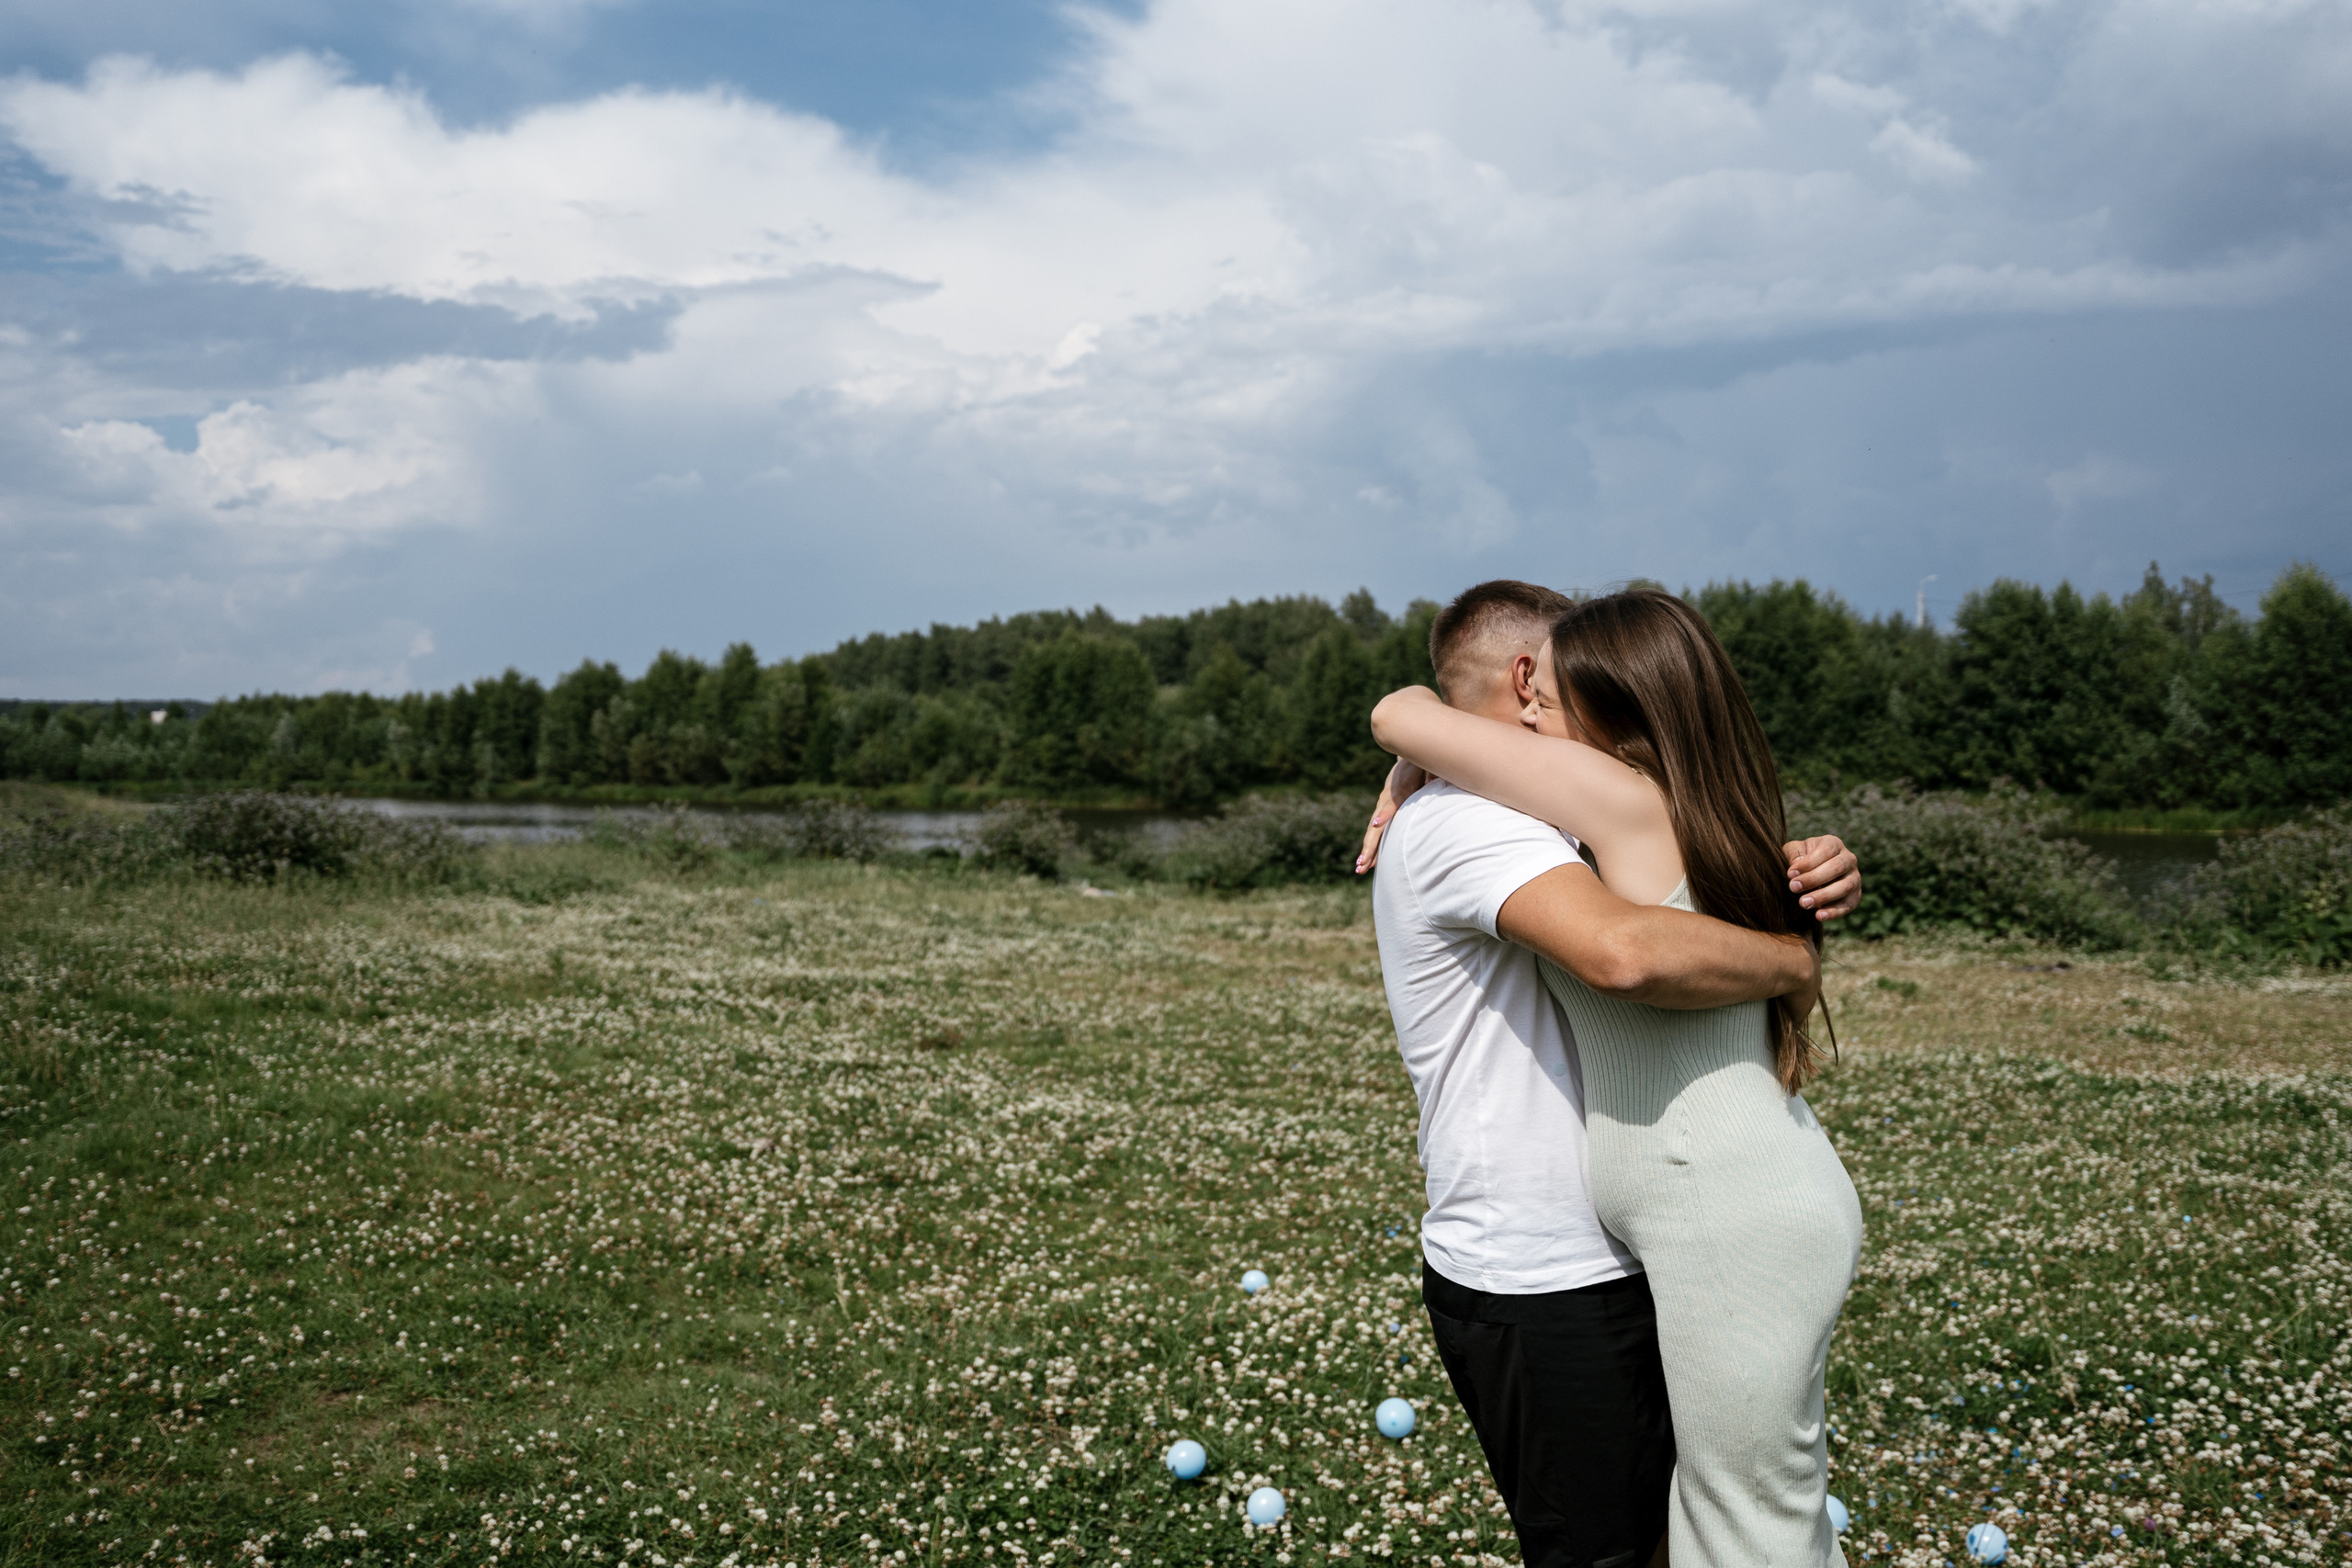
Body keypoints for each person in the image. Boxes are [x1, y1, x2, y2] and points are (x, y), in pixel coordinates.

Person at [1356, 581, 1860, 1568]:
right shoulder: (1523, 816)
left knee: (1741, 1519)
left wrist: (1412, 736)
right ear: (1517, 675)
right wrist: (1794, 957)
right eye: (1537, 687)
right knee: (1723, 1517)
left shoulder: (1608, 806)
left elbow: (1628, 952)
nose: (1539, 709)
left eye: (1562, 690)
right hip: (1581, 1257)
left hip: (1710, 1218)